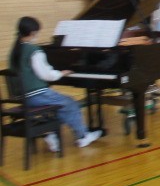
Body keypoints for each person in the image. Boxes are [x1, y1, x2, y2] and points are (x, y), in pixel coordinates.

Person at [8, 17, 102, 151]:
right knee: (70, 103)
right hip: (36, 96)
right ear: (33, 33)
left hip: (21, 97)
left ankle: (50, 133)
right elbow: (46, 74)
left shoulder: (14, 51)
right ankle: (82, 136)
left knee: (62, 105)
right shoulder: (33, 50)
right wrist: (60, 73)